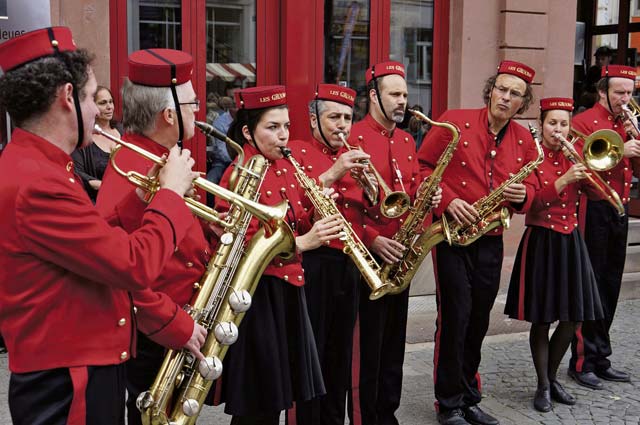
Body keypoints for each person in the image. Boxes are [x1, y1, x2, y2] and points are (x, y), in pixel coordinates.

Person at [0, 27, 203, 425]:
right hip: (69, 380)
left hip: (78, 369)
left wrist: (144, 199)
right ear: (67, 98)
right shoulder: (38, 181)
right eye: (93, 97)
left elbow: (94, 247)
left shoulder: (40, 167)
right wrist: (171, 195)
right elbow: (131, 264)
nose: (99, 110)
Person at [212, 85, 343, 425]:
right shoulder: (239, 173)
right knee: (258, 401)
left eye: (286, 126)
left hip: (287, 290)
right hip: (257, 295)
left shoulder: (285, 166)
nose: (283, 135)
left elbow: (296, 220)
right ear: (247, 131)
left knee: (279, 395)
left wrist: (316, 210)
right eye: (273, 127)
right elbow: (238, 243)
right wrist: (302, 243)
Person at [96, 48, 213, 425]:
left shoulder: (158, 157)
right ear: (168, 115)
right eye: (194, 103)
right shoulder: (132, 165)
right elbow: (116, 269)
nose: (199, 112)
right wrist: (172, 325)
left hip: (178, 320)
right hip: (157, 335)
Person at [418, 60, 539, 425]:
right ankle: (448, 402)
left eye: (514, 94)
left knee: (479, 320)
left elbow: (533, 184)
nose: (505, 97)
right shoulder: (453, 121)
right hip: (452, 237)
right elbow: (422, 169)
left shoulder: (523, 138)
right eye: (501, 89)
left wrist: (522, 195)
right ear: (490, 90)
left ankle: (470, 396)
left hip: (491, 238)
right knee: (455, 318)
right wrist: (449, 199)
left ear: (523, 102)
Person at [504, 97, 604, 412]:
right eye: (552, 123)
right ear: (542, 123)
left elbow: (599, 194)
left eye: (563, 124)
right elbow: (531, 204)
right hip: (542, 241)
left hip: (570, 240)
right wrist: (563, 180)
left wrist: (589, 172)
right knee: (543, 317)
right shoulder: (531, 156)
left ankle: (551, 377)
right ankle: (543, 385)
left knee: (573, 316)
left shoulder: (576, 155)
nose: (558, 130)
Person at [285, 84, 371, 424]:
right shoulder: (297, 151)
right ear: (313, 119)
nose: (342, 126)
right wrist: (334, 173)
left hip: (349, 263)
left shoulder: (356, 155)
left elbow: (375, 211)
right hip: (313, 262)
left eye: (348, 118)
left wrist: (373, 187)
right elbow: (292, 201)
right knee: (312, 353)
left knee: (340, 355)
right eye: (333, 117)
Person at [348, 61, 423, 425]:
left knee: (394, 346)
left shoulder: (408, 139)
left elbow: (410, 194)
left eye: (405, 94)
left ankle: (387, 415)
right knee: (368, 350)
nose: (402, 101)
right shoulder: (352, 136)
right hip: (368, 260)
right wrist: (372, 240)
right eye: (394, 94)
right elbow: (341, 203)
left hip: (402, 258)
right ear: (373, 96)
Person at [568, 64, 640, 390]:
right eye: (619, 93)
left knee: (611, 283)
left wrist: (637, 135)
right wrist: (621, 149)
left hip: (619, 208)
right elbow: (577, 163)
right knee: (591, 283)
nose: (625, 99)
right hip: (593, 208)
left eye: (630, 93)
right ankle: (582, 361)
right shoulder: (583, 122)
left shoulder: (628, 124)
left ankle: (601, 358)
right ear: (602, 92)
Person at [72, 85, 120, 203]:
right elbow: (76, 172)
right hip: (99, 201)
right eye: (103, 103)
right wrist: (101, 185)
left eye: (111, 102)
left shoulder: (123, 131)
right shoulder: (83, 138)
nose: (109, 107)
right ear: (92, 107)